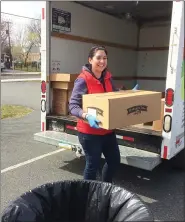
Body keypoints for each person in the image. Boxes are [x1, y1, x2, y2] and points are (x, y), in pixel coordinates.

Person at [69, 45, 138, 183]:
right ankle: (88, 195)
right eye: (98, 58)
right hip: (89, 133)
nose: (102, 61)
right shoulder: (83, 80)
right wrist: (86, 115)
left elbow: (114, 94)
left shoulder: (107, 77)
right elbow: (73, 106)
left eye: (105, 58)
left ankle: (105, 188)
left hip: (107, 130)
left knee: (114, 162)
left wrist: (129, 94)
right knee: (92, 165)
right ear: (90, 60)